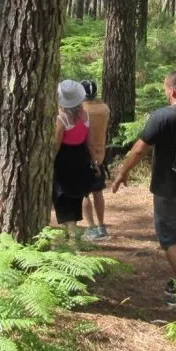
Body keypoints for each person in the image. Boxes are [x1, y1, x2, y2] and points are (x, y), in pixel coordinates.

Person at [112, 71, 176, 306]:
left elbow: (139, 149)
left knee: (168, 238)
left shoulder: (162, 116)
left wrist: (122, 172)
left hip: (168, 188)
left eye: (165, 89)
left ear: (172, 91)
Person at [53, 80, 98, 239]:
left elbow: (56, 145)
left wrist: (49, 161)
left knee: (63, 195)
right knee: (76, 195)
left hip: (64, 161)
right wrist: (94, 162)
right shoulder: (85, 115)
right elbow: (90, 142)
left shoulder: (62, 119)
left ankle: (71, 235)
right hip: (81, 159)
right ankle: (72, 233)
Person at [80, 80, 112, 241]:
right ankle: (101, 226)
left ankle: (91, 228)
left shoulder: (81, 111)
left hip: (84, 154)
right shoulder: (104, 109)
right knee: (97, 192)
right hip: (100, 155)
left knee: (84, 193)